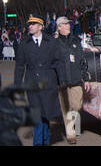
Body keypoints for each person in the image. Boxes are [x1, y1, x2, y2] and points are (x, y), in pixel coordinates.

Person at [14, 14, 67, 146]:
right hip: (32, 83)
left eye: (33, 24)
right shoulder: (24, 44)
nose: (30, 26)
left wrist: (63, 81)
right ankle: (38, 143)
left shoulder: (51, 42)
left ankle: (45, 140)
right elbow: (20, 66)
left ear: (40, 27)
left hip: (49, 82)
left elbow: (58, 63)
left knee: (45, 114)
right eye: (29, 24)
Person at [54, 16, 89, 145]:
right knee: (66, 108)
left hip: (75, 79)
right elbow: (53, 63)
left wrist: (86, 78)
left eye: (69, 24)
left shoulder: (76, 41)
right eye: (65, 24)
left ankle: (75, 125)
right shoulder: (55, 44)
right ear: (59, 27)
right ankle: (71, 134)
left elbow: (81, 61)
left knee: (77, 105)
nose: (68, 26)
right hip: (62, 81)